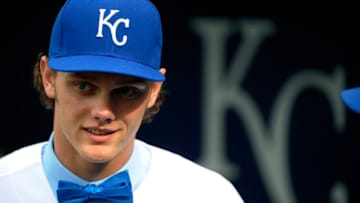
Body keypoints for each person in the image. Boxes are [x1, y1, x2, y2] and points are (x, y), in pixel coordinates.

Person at [0, 0, 245, 202]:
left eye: (127, 91)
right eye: (84, 86)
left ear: (154, 91)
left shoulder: (207, 195)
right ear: (48, 77)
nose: (103, 111)